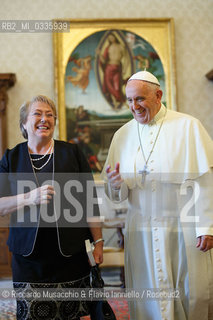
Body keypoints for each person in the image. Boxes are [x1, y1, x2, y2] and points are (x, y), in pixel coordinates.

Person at [101, 71, 213, 320]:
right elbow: (116, 195)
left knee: (190, 290)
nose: (134, 106)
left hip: (182, 225)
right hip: (140, 228)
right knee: (147, 292)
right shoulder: (122, 136)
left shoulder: (187, 126)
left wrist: (206, 226)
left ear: (158, 95)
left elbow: (205, 181)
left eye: (139, 99)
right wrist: (116, 183)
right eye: (129, 100)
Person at [0, 95, 104, 320]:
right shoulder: (11, 157)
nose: (44, 119)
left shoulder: (72, 153)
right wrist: (30, 197)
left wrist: (99, 242)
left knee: (71, 314)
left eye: (50, 115)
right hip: (27, 259)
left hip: (70, 256)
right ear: (24, 123)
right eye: (37, 113)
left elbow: (89, 201)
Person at [98, 33, 126, 109]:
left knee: (117, 86)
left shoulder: (120, 47)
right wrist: (100, 55)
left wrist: (125, 69)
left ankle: (121, 100)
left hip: (117, 68)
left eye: (112, 37)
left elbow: (126, 59)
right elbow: (104, 61)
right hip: (109, 68)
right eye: (109, 38)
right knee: (109, 86)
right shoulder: (108, 47)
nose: (111, 39)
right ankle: (116, 103)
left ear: (115, 37)